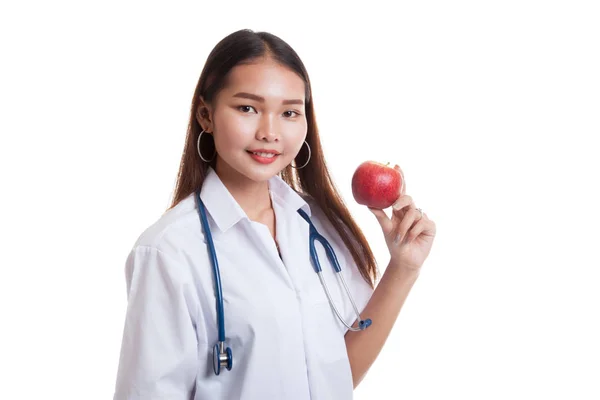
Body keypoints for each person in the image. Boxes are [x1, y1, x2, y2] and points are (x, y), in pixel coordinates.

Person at [113, 29, 436, 400]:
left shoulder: (316, 225)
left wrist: (404, 267)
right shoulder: (168, 252)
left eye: (289, 113)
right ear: (206, 115)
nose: (270, 132)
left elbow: (337, 372)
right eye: (247, 108)